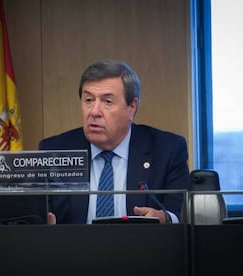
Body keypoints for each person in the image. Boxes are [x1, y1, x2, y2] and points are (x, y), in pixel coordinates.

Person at [39, 59, 189, 224]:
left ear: (131, 107)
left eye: (107, 102)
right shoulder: (55, 152)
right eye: (88, 100)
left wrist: (165, 218)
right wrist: (43, 225)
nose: (94, 112)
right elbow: (40, 214)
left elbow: (179, 213)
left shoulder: (167, 150)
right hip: (74, 249)